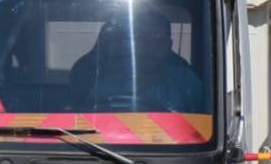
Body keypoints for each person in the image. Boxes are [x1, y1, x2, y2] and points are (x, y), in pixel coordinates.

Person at [68, 8, 205, 112]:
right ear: (131, 44)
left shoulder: (185, 82)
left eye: (157, 41)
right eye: (142, 41)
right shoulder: (106, 86)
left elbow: (206, 120)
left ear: (169, 46)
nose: (149, 48)